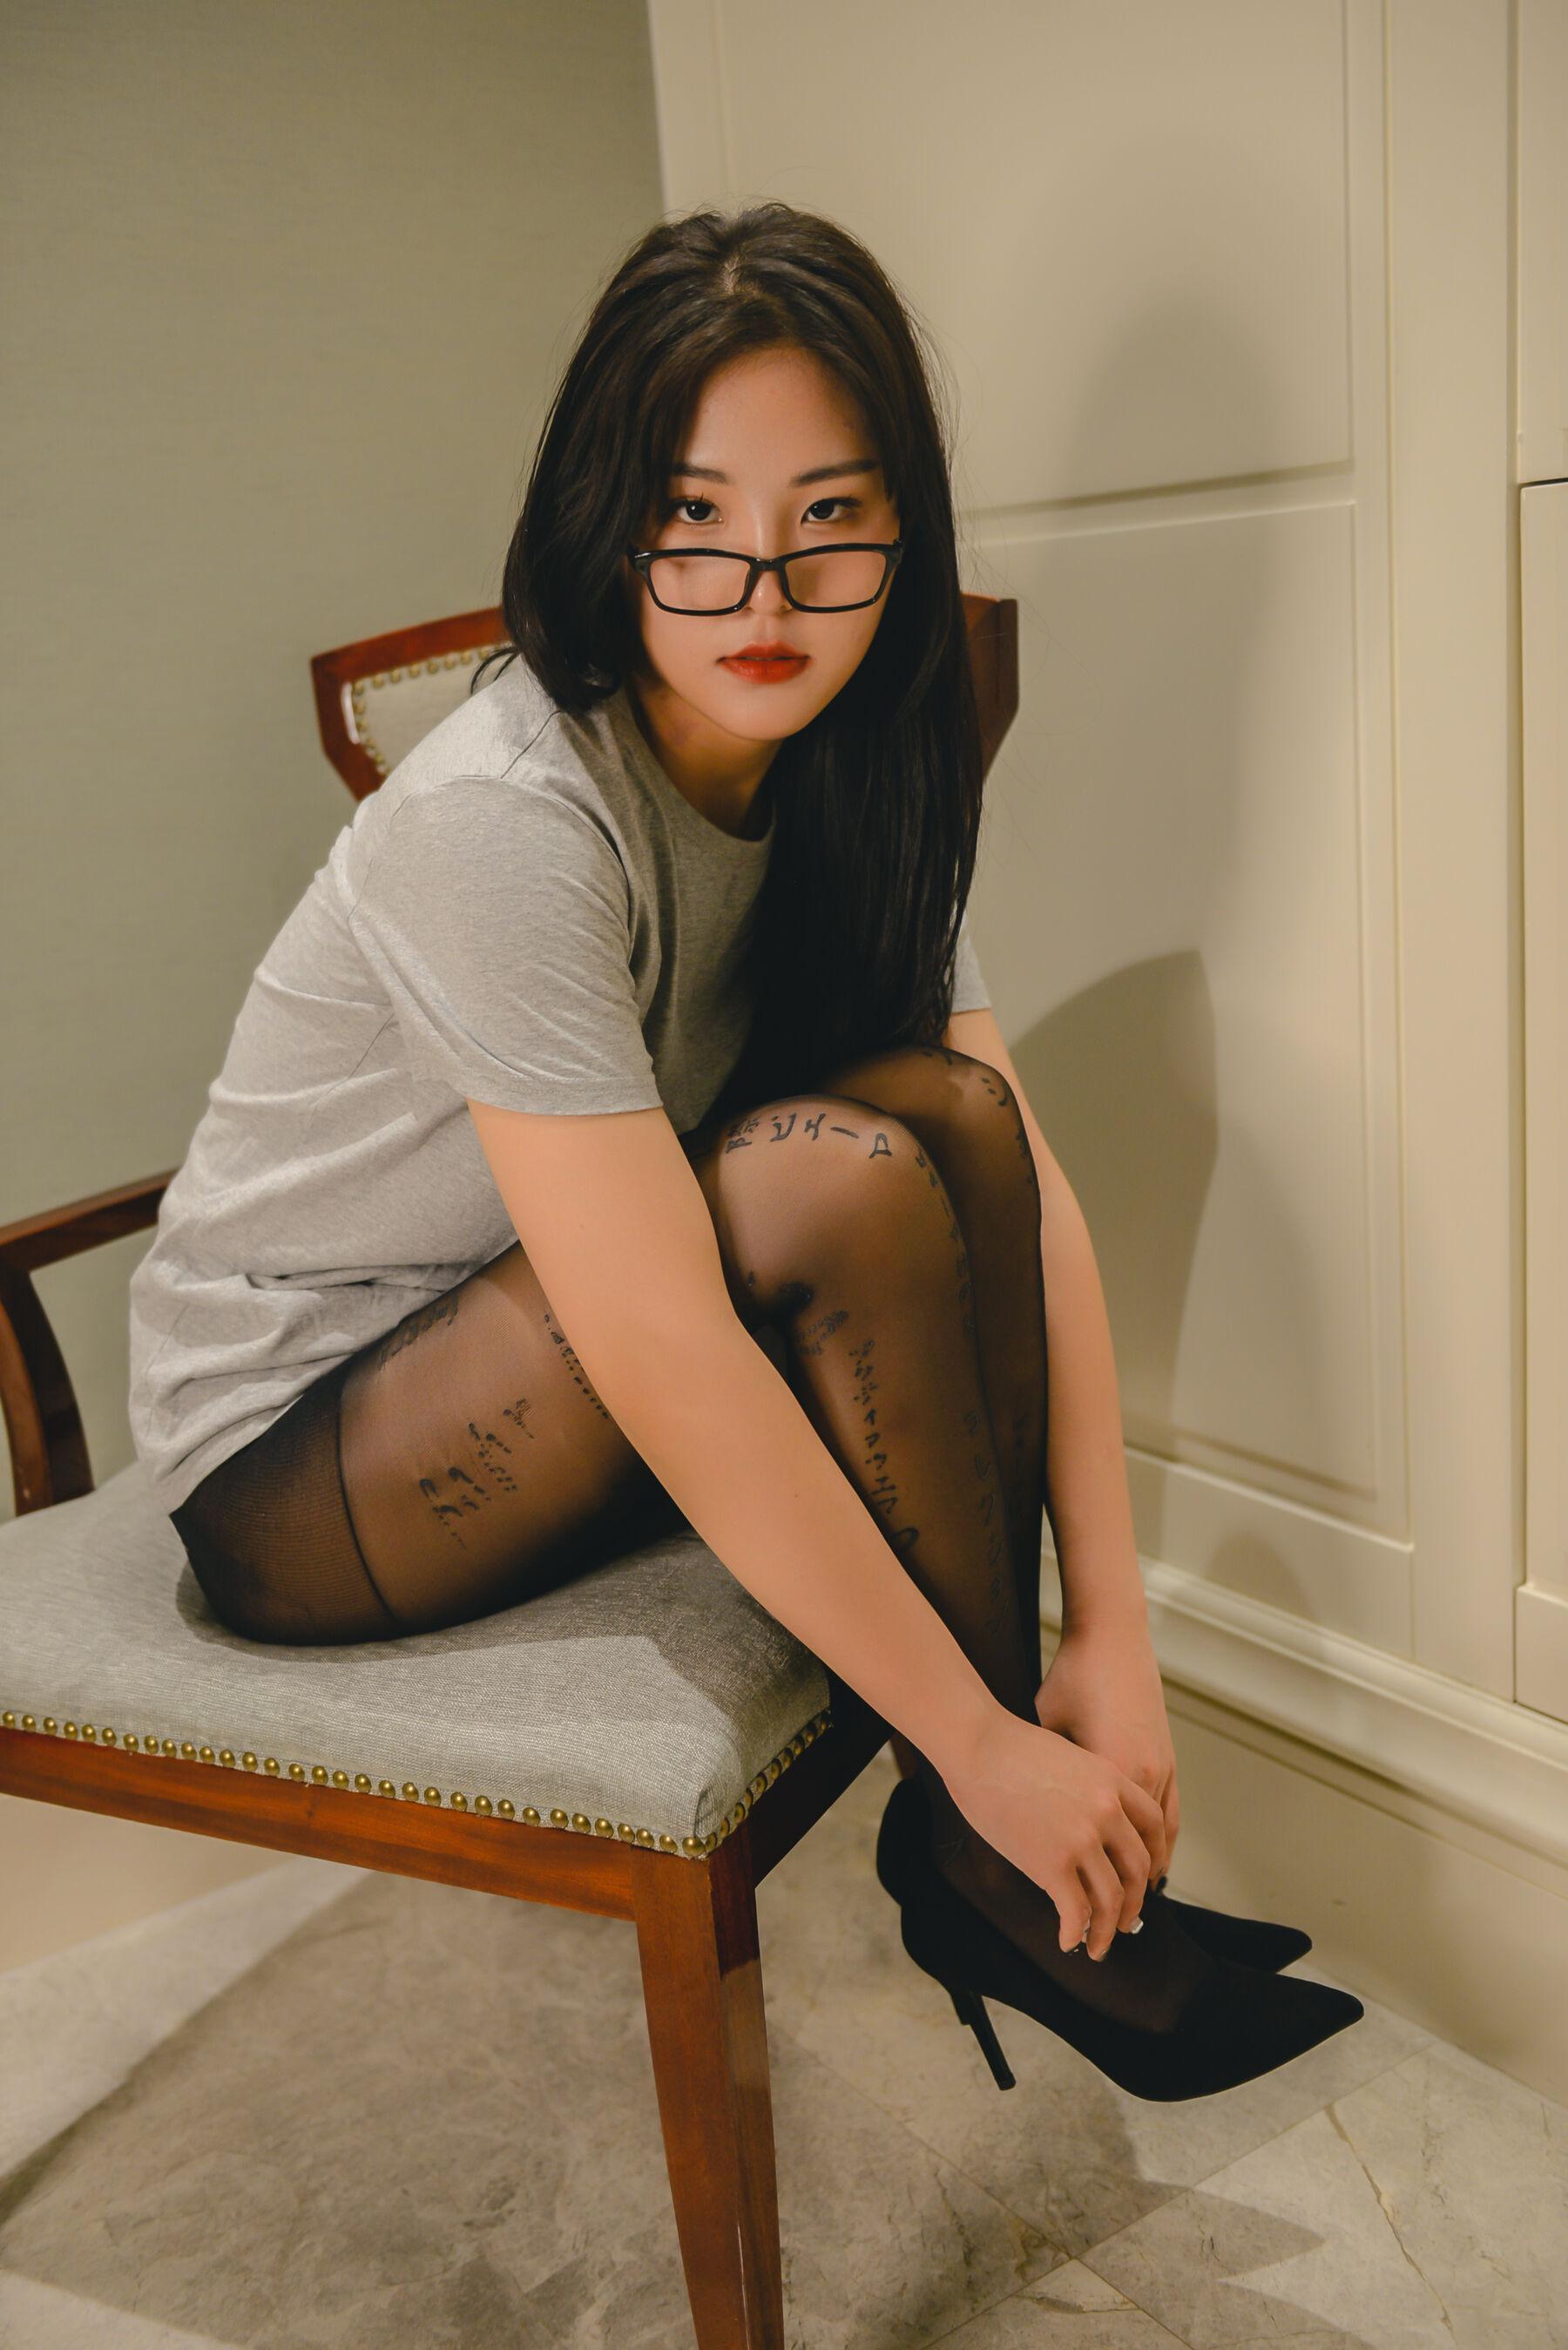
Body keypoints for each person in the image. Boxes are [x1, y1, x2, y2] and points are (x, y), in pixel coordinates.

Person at [127, 200, 1360, 2102]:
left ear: (902, 531)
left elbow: (1021, 1182)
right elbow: (665, 1340)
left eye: (829, 518)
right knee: (826, 1176)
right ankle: (980, 1842)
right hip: (297, 1453)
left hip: (550, 1349)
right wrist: (979, 1737)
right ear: (605, 528)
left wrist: (1114, 1632)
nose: (761, 592)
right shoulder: (506, 817)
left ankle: (982, 1865)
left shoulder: (859, 770)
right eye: (691, 519)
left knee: (946, 1121)